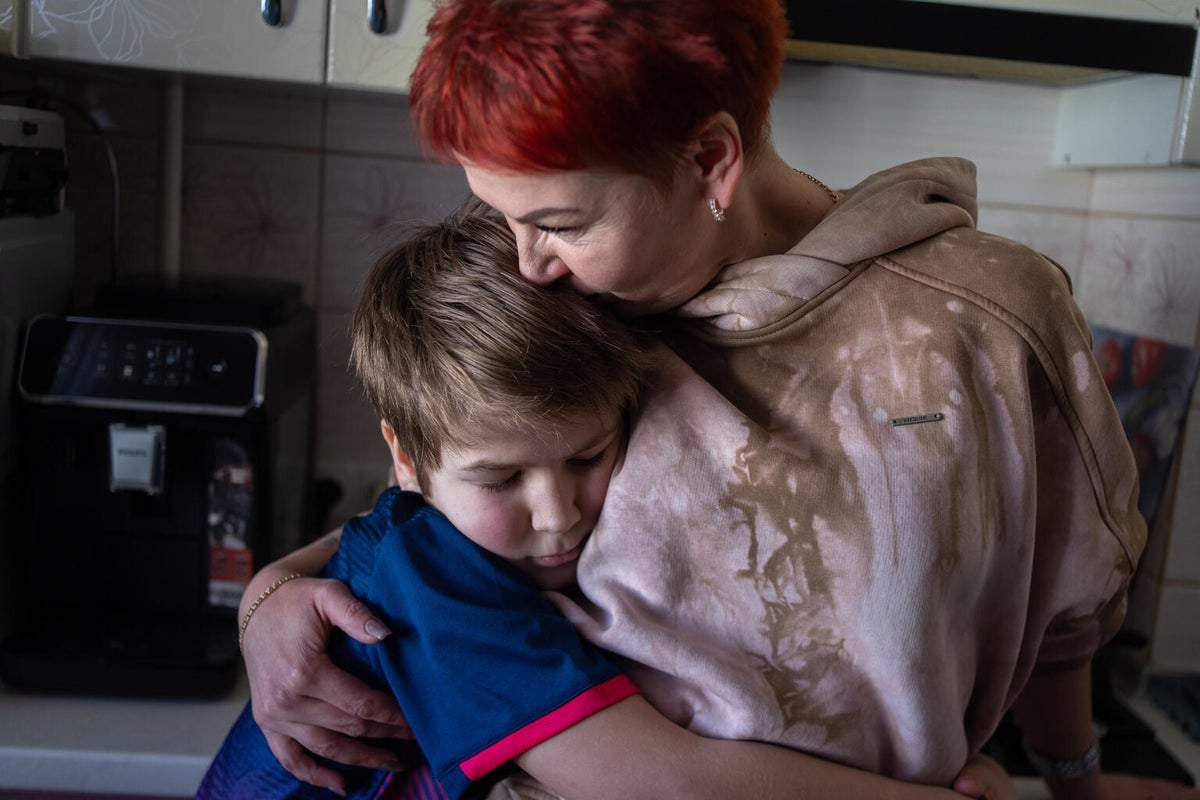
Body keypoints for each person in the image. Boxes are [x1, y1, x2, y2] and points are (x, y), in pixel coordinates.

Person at [236, 2, 1199, 799]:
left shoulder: (985, 319)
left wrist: (1074, 779)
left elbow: (1066, 602)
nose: (529, 264)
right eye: (506, 217)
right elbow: (448, 506)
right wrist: (271, 596)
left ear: (710, 160)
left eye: (559, 222)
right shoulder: (578, 306)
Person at [199, 206, 1009, 800]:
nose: (558, 514)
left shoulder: (449, 530)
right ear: (405, 459)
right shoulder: (436, 586)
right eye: (502, 481)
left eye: (586, 456)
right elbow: (664, 784)